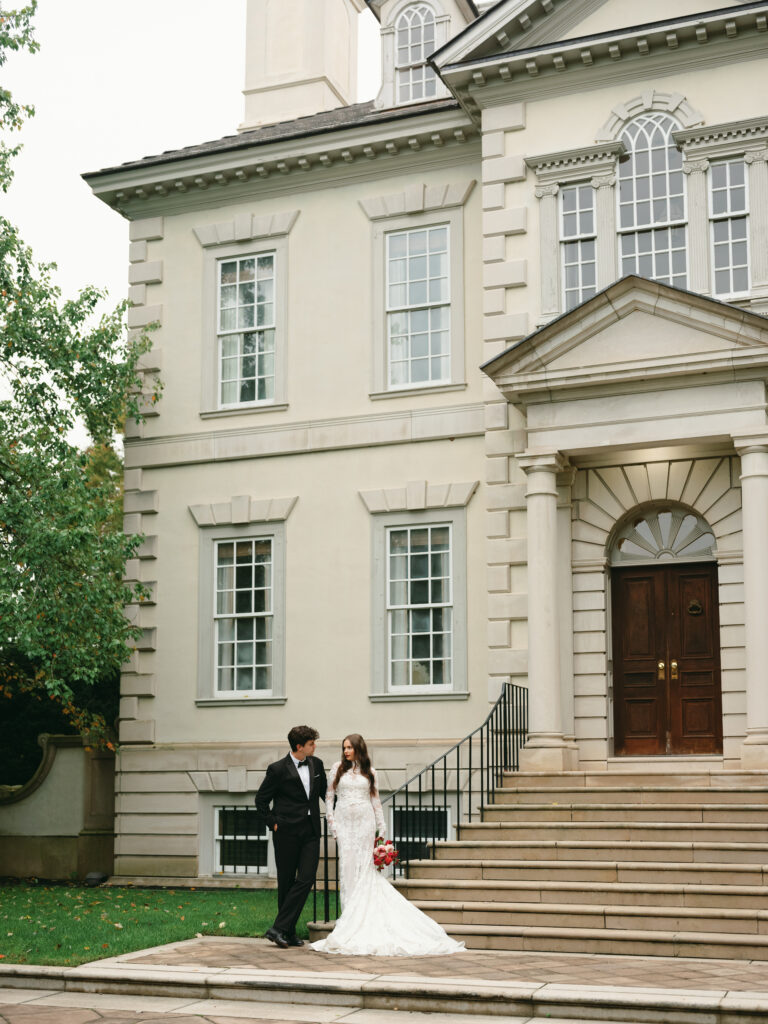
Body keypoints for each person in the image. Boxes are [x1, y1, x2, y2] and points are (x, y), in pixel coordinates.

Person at [311, 733, 464, 956]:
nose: (346, 751)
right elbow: (329, 798)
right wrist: (333, 825)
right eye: (344, 748)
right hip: (345, 824)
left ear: (358, 749)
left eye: (349, 748)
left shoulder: (370, 772)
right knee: (347, 870)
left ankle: (360, 920)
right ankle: (349, 919)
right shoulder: (337, 769)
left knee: (365, 870)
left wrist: (381, 828)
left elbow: (375, 800)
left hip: (365, 823)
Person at [254, 724, 327, 948]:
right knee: (286, 882)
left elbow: (326, 795)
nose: (315, 746)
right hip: (286, 832)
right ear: (299, 746)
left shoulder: (317, 764)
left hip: (311, 831)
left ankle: (278, 928)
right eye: (311, 743)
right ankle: (289, 932)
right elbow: (261, 801)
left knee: (306, 878)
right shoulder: (277, 769)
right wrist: (273, 823)